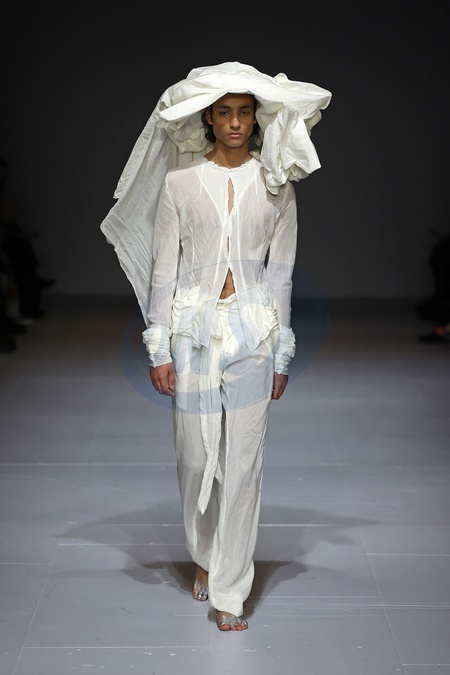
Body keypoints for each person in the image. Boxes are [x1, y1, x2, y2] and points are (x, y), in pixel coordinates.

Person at [100, 62, 331, 631]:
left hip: (254, 331)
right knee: (196, 458)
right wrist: (158, 349)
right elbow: (163, 271)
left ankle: (230, 590)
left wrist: (282, 352)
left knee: (244, 463)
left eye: (244, 112)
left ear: (256, 119)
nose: (234, 122)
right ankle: (204, 555)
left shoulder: (277, 185)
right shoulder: (179, 184)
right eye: (224, 112)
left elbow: (281, 274)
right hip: (192, 333)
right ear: (208, 117)